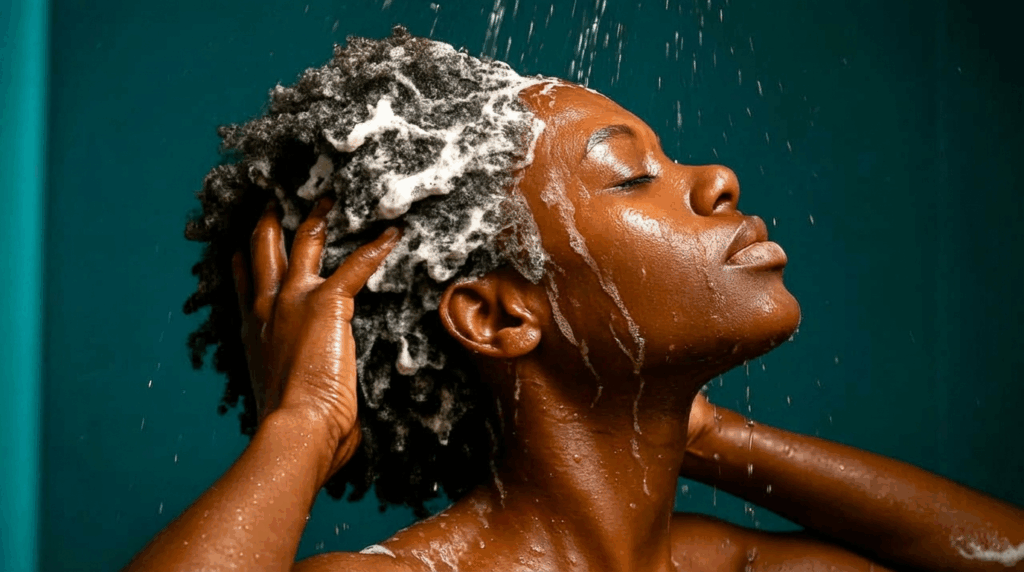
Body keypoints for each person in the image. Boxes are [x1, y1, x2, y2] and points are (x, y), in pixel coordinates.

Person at [125, 27, 1024, 572]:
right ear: (500, 316)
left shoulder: (732, 563)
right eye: (632, 177)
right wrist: (307, 418)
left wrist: (707, 436)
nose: (717, 180)